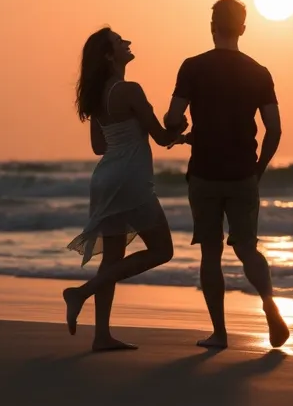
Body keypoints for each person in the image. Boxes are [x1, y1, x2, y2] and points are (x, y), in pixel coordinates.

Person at [163, 0, 289, 349]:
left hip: (204, 172)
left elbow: (173, 118)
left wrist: (176, 128)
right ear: (243, 29)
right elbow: (274, 129)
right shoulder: (259, 72)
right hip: (242, 173)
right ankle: (268, 304)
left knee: (210, 253)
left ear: (212, 26)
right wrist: (258, 169)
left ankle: (219, 333)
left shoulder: (193, 67)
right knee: (248, 248)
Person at [63, 26, 188, 352]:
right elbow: (161, 138)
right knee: (163, 250)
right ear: (109, 55)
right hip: (130, 180)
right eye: (119, 42)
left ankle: (101, 336)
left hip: (105, 179)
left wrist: (137, 137)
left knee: (113, 257)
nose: (127, 43)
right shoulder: (130, 90)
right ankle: (81, 292)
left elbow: (98, 146)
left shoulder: (97, 94)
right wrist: (179, 128)